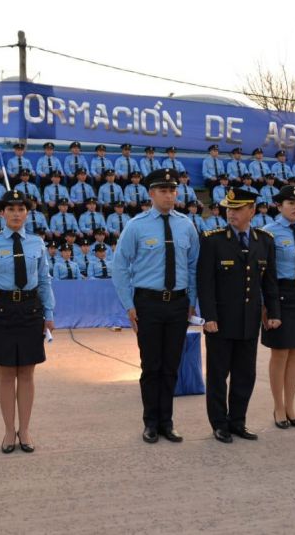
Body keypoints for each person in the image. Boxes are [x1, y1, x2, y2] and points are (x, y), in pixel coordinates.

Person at [112, 168, 199, 444]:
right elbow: (119, 267)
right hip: (148, 303)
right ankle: (150, 422)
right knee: (151, 365)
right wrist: (129, 304)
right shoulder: (136, 226)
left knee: (172, 365)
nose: (169, 195)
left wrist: (191, 302)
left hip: (177, 304)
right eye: (163, 190)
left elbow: (194, 266)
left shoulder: (187, 225)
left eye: (173, 190)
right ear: (151, 194)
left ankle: (167, 422)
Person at [197, 187, 281, 444]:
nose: (231, 213)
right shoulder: (213, 239)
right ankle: (219, 423)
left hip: (249, 320)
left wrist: (274, 312)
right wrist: (208, 316)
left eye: (238, 208)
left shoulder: (264, 241)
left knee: (245, 374)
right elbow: (205, 282)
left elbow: (270, 281)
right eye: (229, 208)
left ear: (252, 211)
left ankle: (238, 421)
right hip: (220, 321)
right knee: (218, 375)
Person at [0, 190, 55, 453]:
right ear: (1, 213)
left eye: (21, 209)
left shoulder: (37, 243)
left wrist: (49, 314)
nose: (16, 214)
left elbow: (44, 280)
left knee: (28, 373)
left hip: (31, 310)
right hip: (3, 310)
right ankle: (9, 431)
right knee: (6, 372)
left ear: (27, 213)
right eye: (10, 209)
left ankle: (26, 430)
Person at [261, 185, 295, 429]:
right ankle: (278, 407)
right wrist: (266, 305)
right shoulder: (268, 232)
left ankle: (291, 406)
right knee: (280, 353)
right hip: (278, 295)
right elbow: (264, 273)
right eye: (290, 203)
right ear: (279, 205)